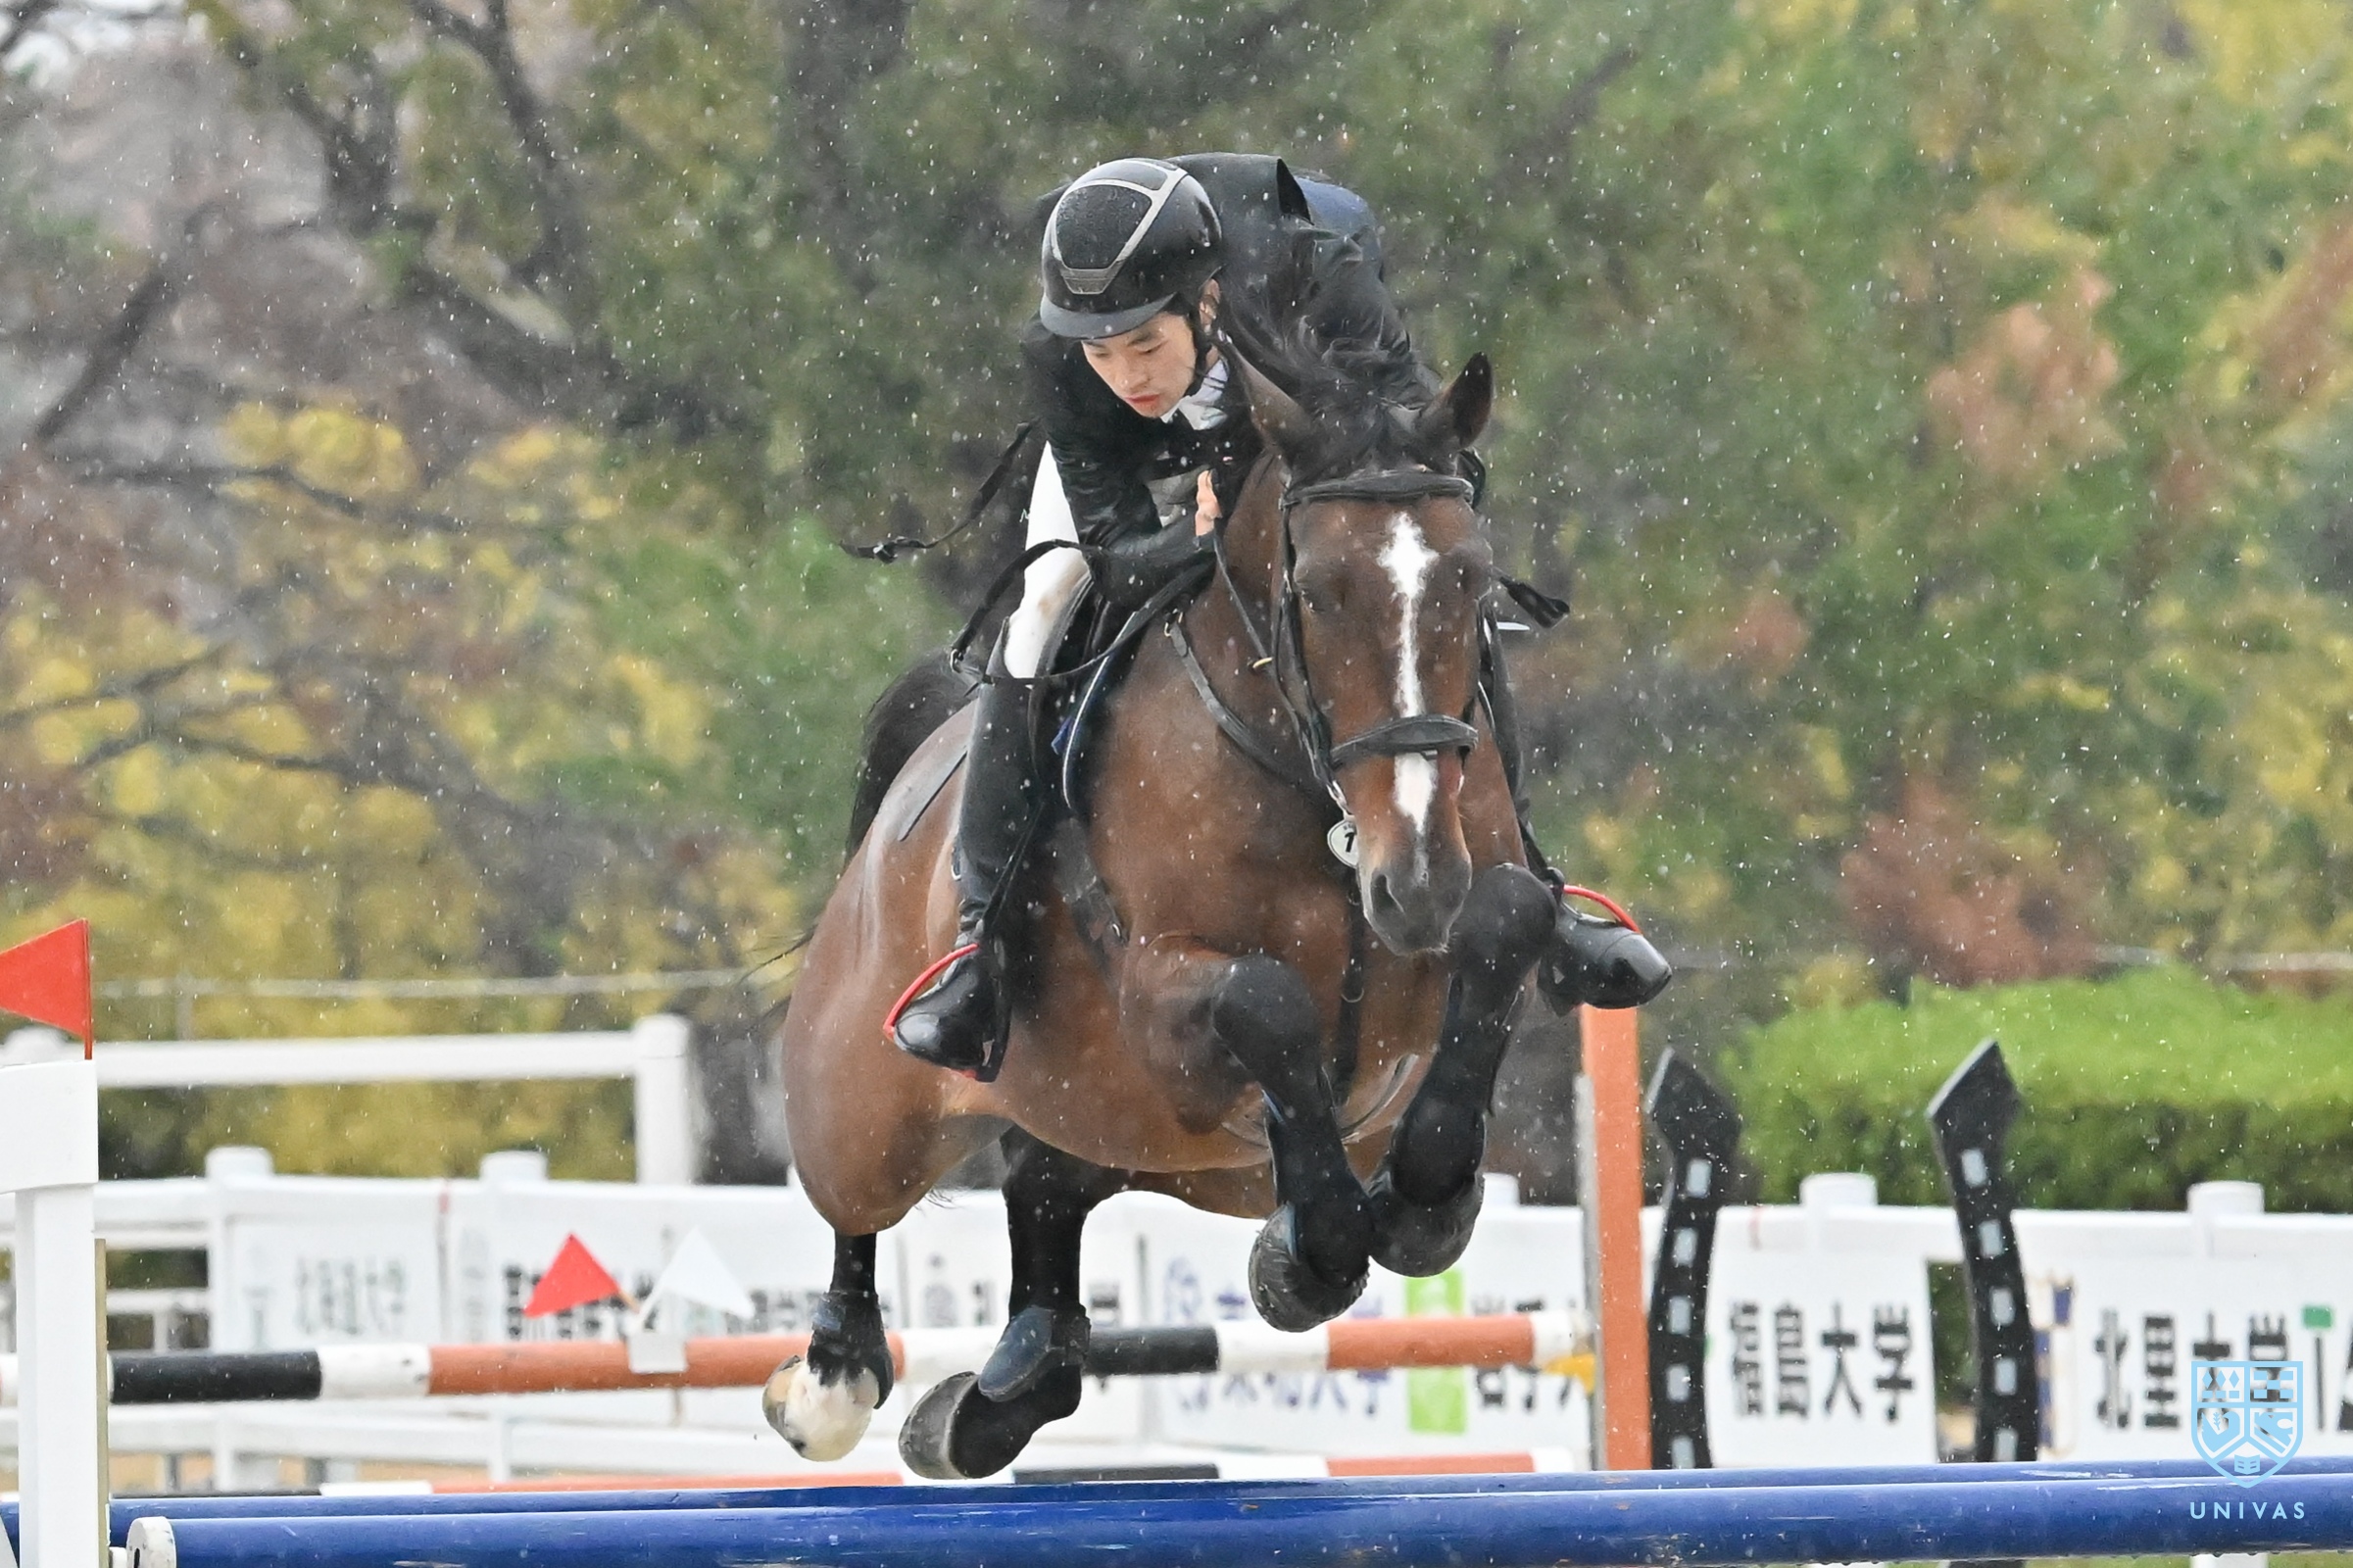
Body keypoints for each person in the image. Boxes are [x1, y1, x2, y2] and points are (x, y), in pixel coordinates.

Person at [890, 155, 1665, 1079]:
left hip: (1302, 424)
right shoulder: (1064, 354)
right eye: (1104, 352)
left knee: (1428, 586)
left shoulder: (1324, 278)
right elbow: (1114, 556)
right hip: (1156, 478)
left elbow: (1430, 453)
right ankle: (978, 942)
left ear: (1205, 302)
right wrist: (1194, 540)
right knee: (1042, 607)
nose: (1126, 374)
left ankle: (1538, 883)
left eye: (1145, 345)